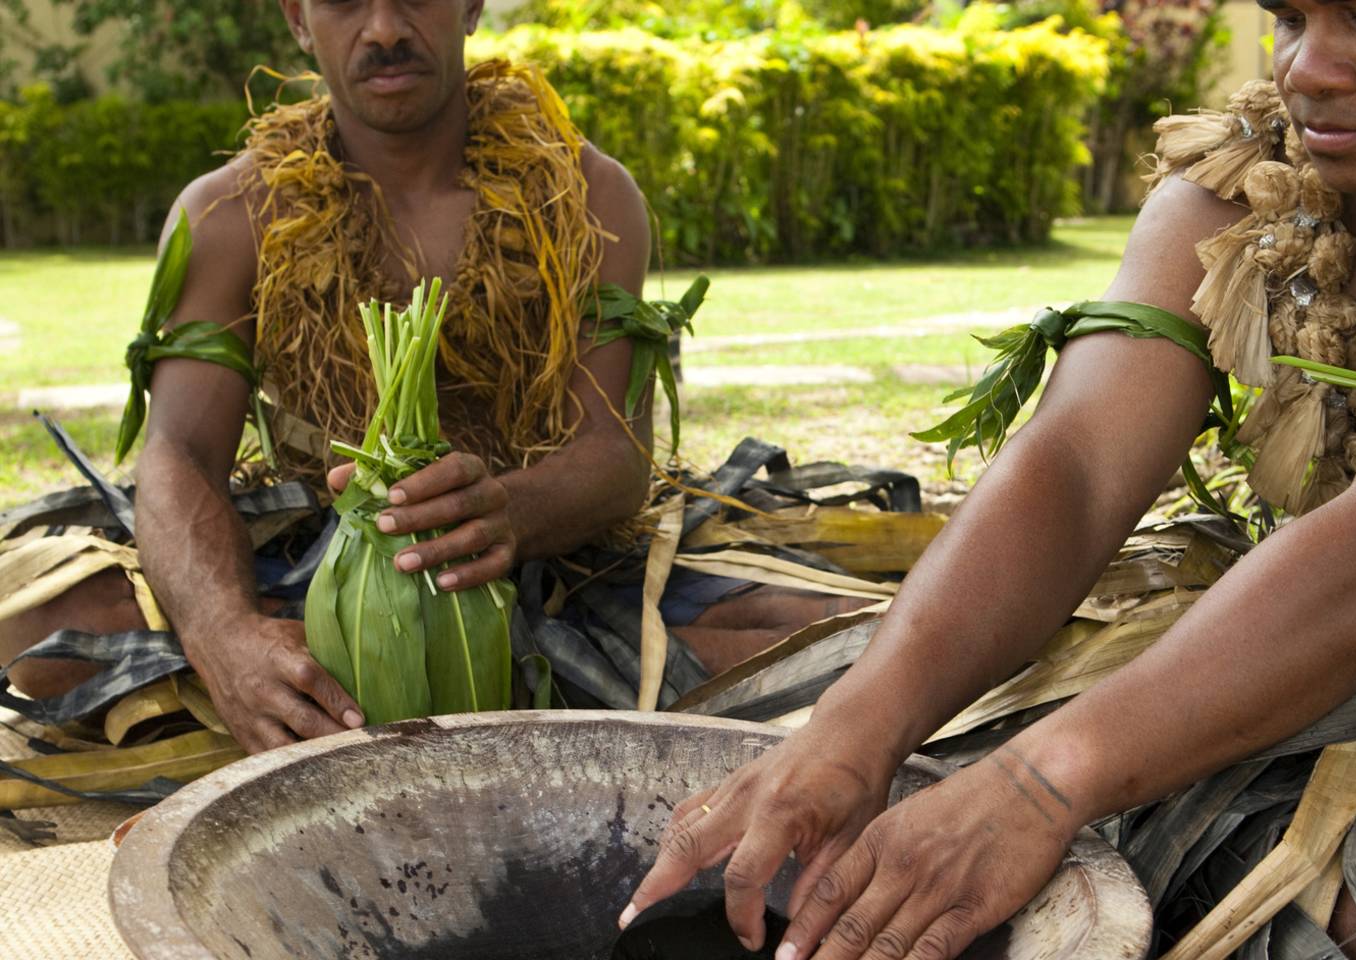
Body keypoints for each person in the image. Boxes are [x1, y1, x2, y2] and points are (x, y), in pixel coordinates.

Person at [622, 2, 1356, 958]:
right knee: (845, 753)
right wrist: (857, 729)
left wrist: (1038, 787)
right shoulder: (1235, 195)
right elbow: (1080, 463)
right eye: (1289, 16)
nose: (1311, 67)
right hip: (1318, 624)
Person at [0, 0, 860, 755]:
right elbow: (179, 453)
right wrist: (223, 635)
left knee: (834, 642)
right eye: (343, 2)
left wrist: (509, 512)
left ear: (472, 3)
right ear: (297, 18)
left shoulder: (589, 196)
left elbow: (616, 452)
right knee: (39, 634)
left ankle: (463, 699)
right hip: (320, 566)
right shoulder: (231, 212)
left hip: (560, 570)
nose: (383, 28)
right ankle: (412, 703)